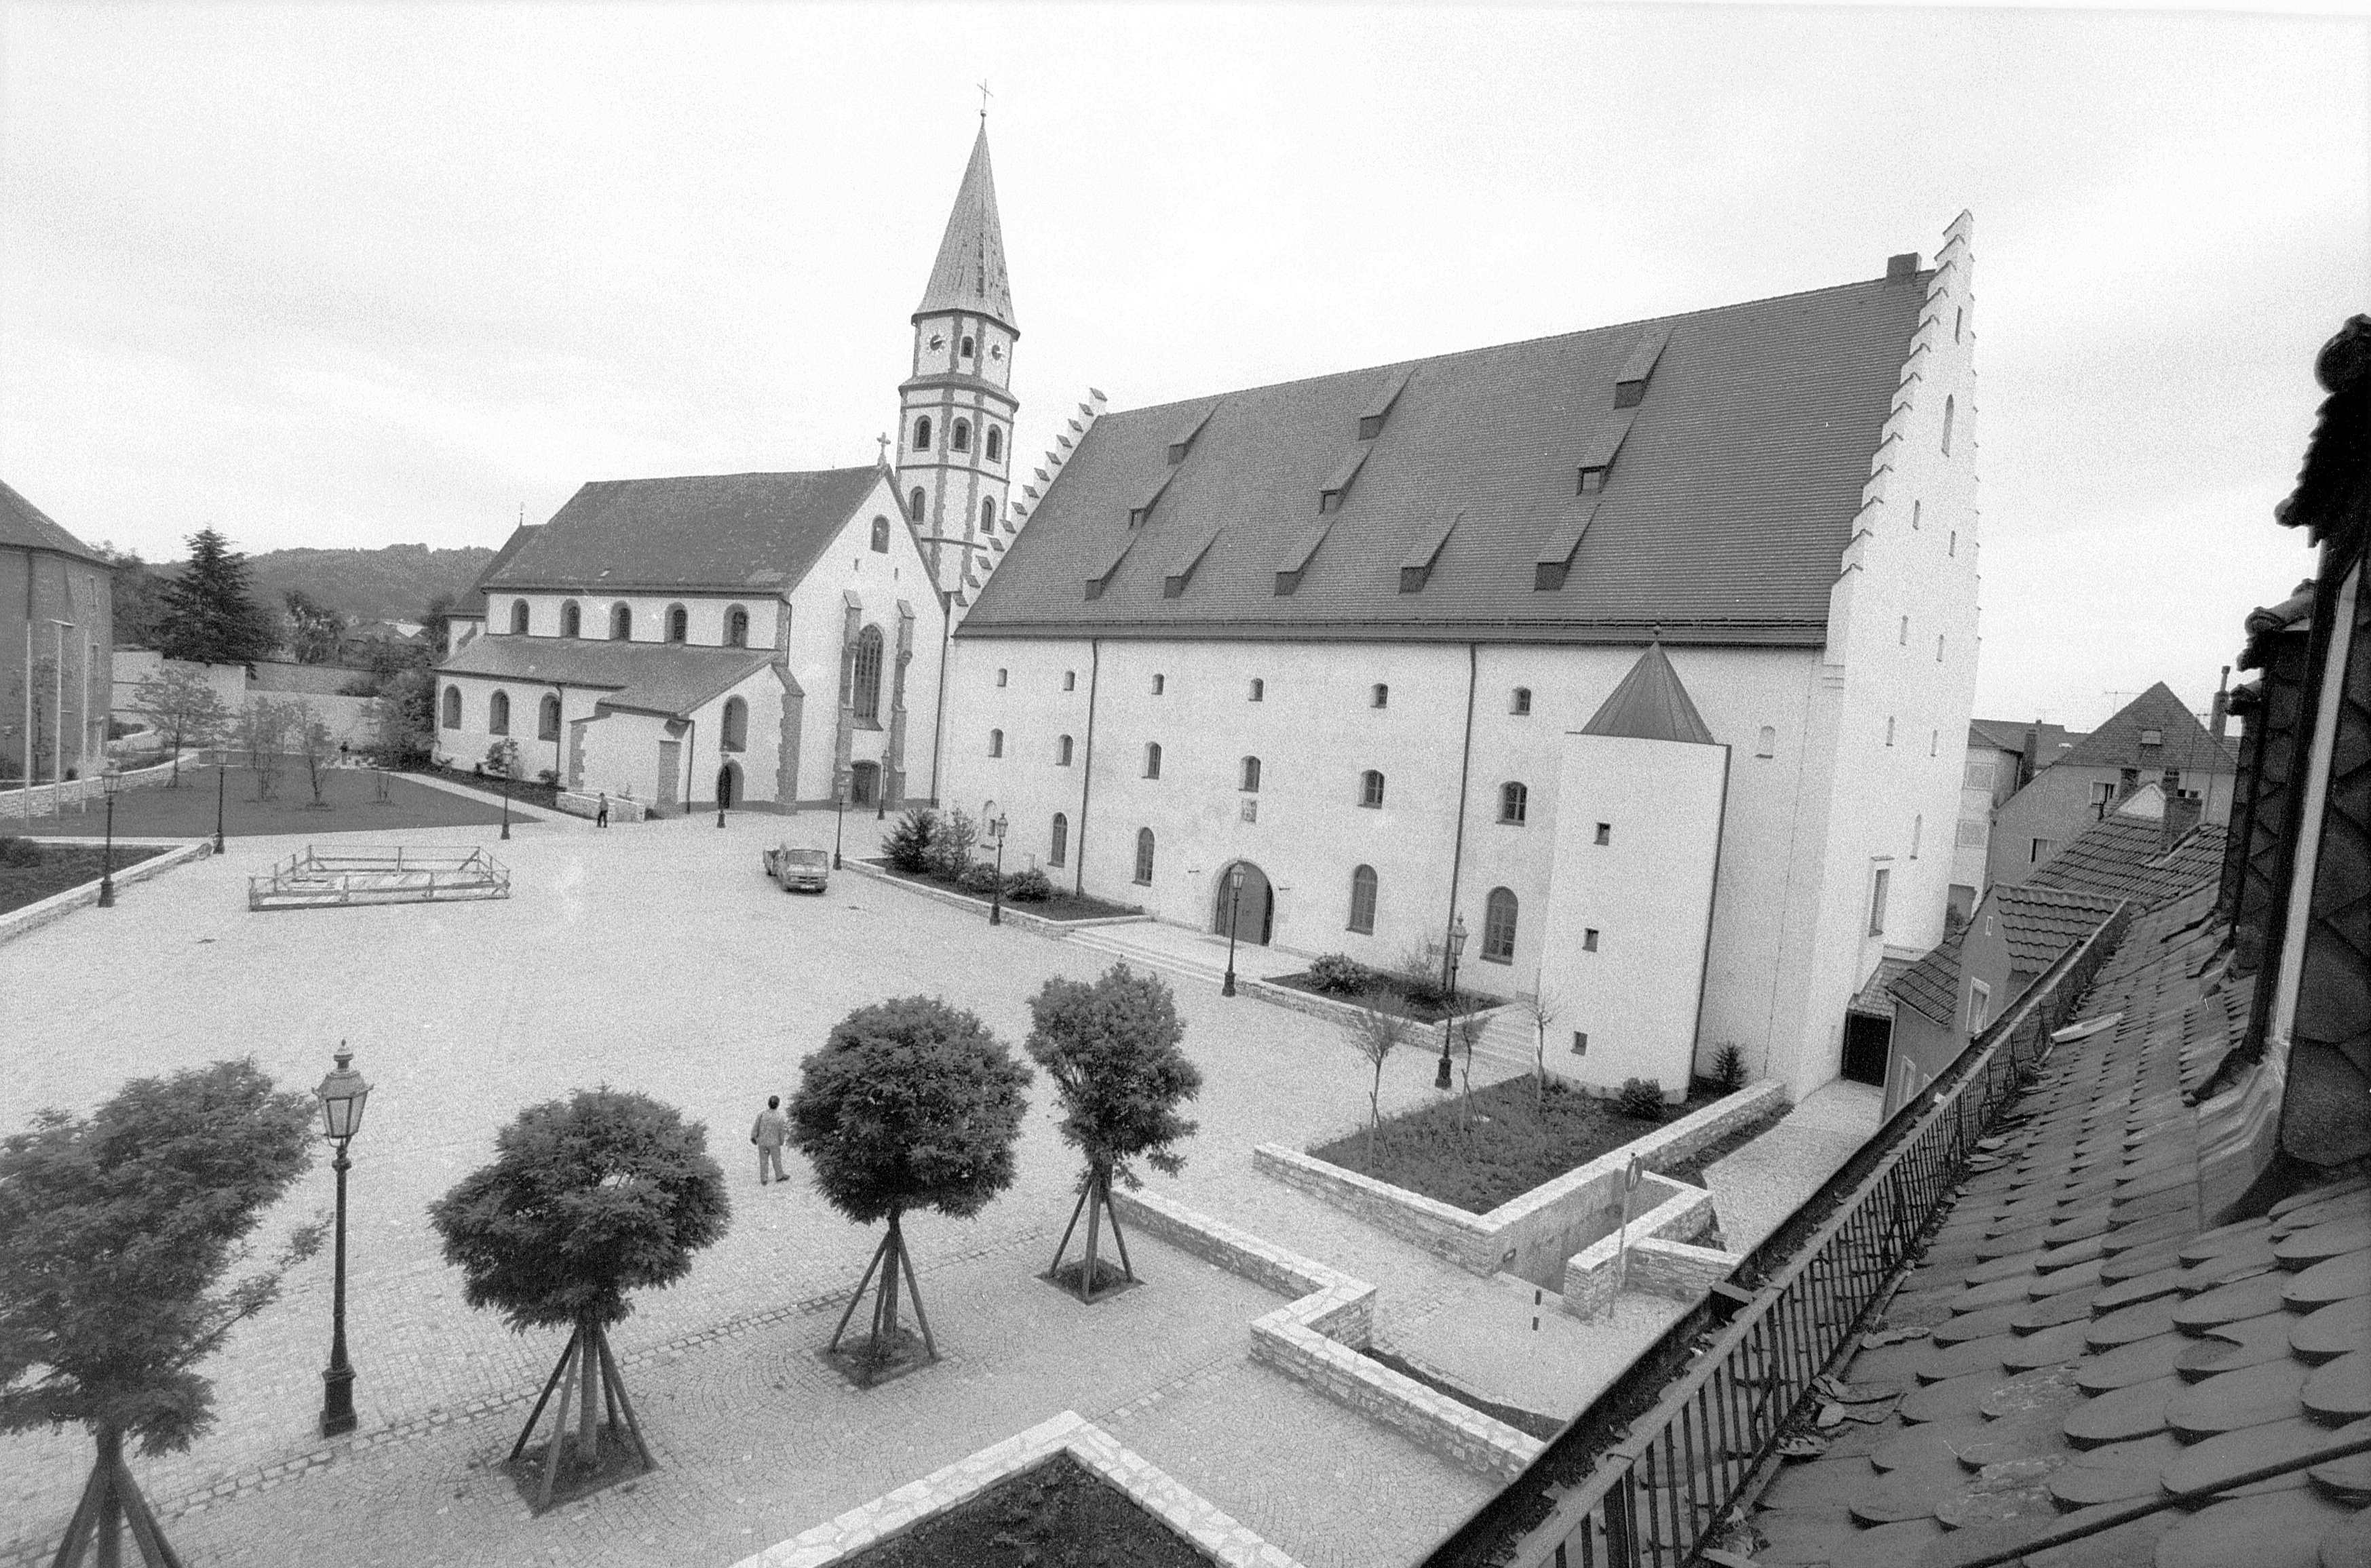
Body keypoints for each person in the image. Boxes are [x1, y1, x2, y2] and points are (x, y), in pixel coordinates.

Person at [750, 1095, 789, 1185]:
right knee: (776, 1159)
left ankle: (764, 1178)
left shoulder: (762, 1114)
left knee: (763, 1161)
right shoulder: (779, 1117)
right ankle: (779, 1176)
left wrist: (753, 1136)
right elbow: (781, 1131)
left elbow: (756, 1126)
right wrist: (781, 1141)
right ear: (778, 1105)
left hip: (762, 1142)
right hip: (774, 1142)